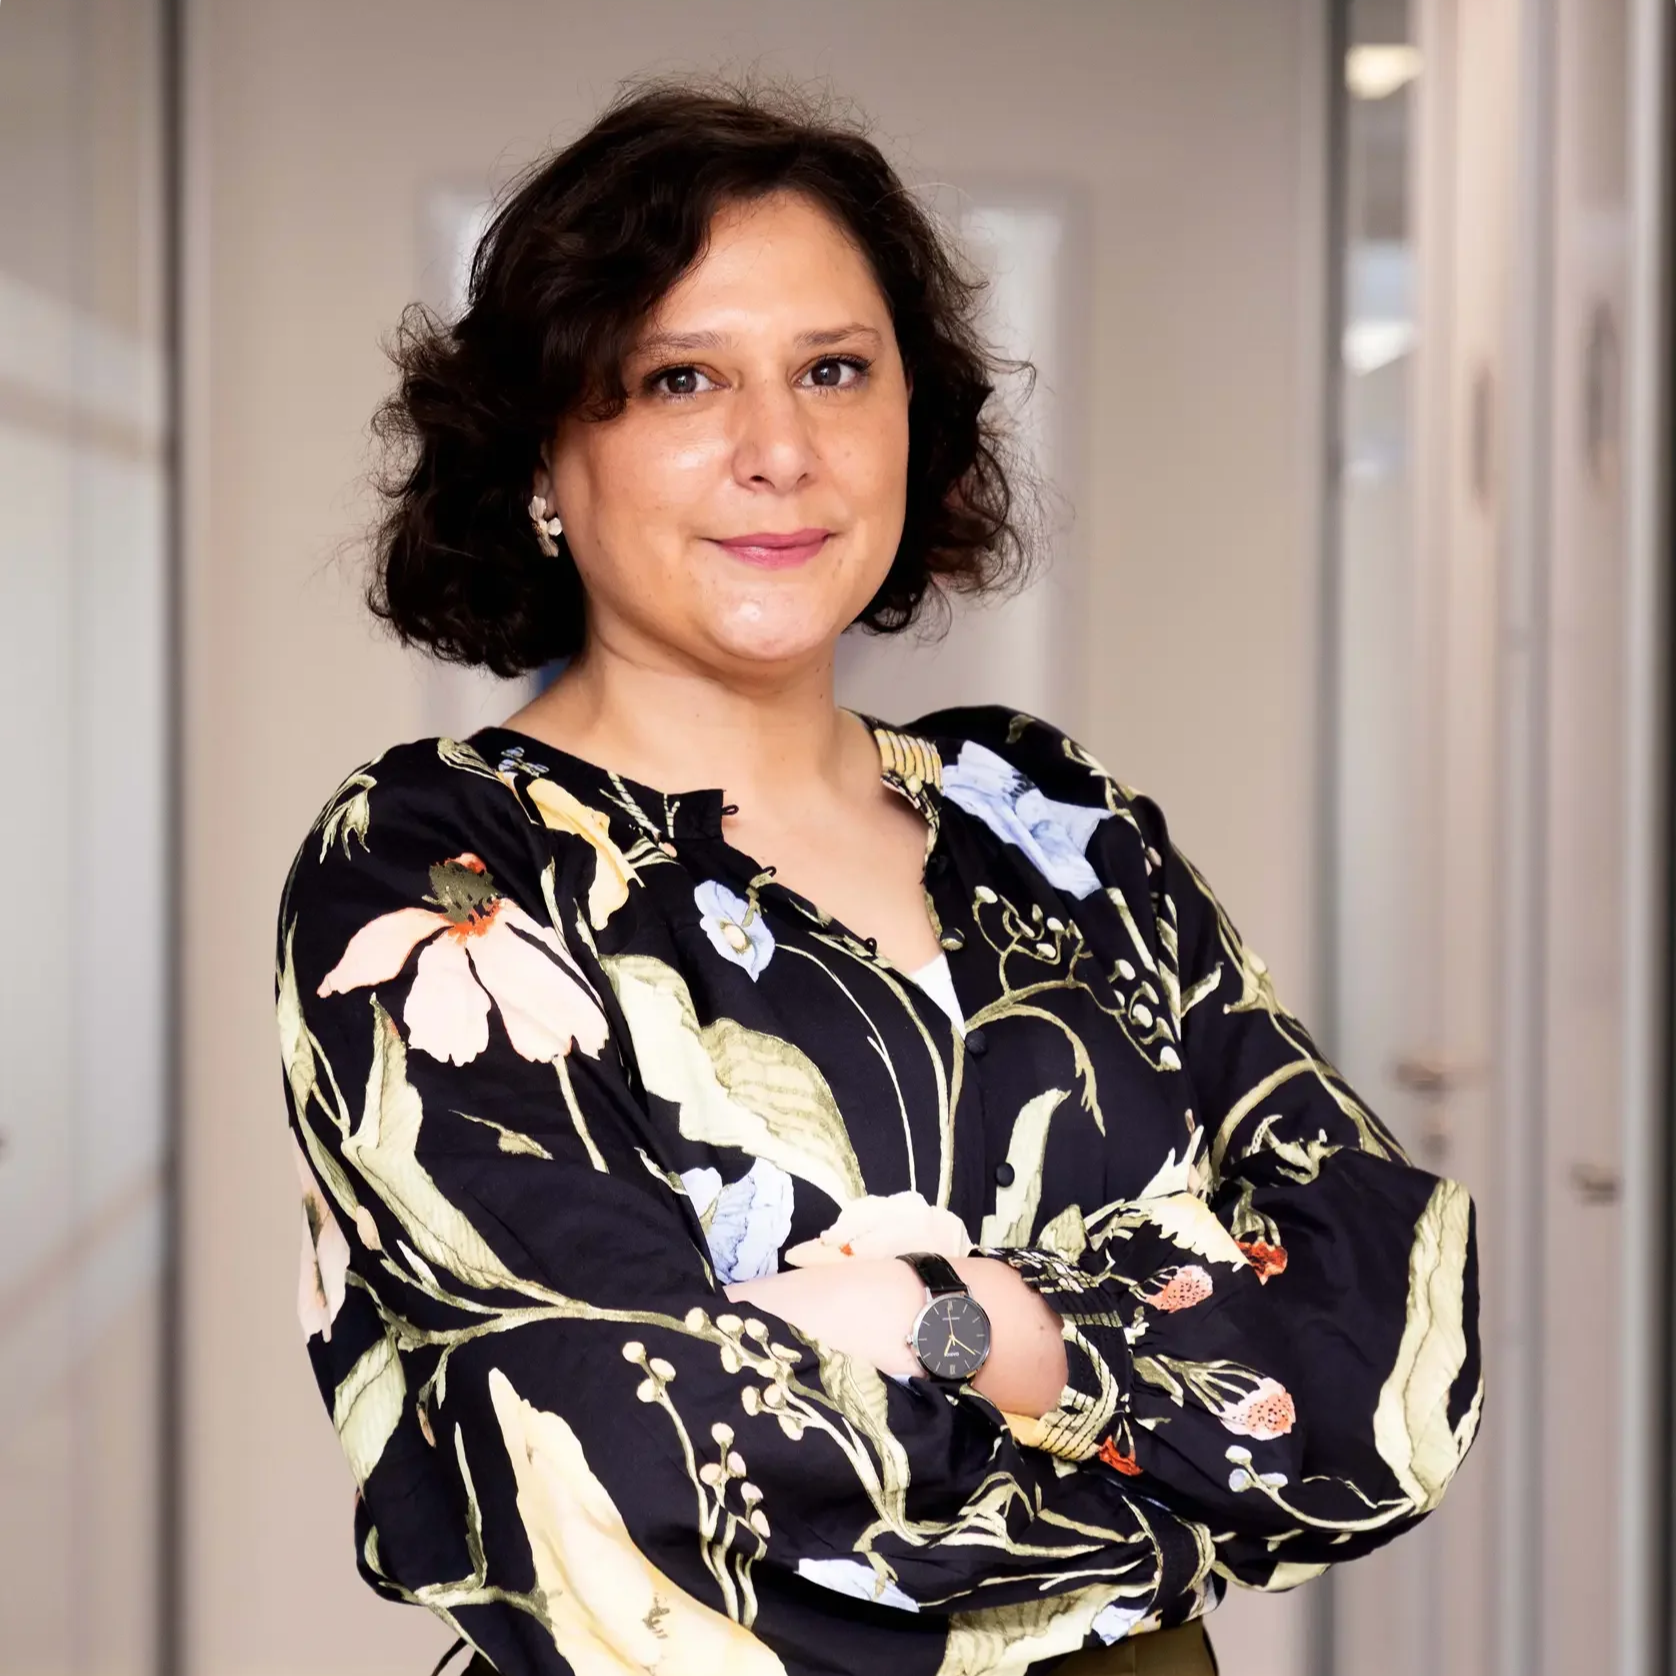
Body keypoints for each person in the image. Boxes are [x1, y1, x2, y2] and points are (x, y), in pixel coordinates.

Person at [276, 81, 1481, 1676]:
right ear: (541, 461)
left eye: (835, 370)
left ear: (919, 420)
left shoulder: (1053, 820)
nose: (780, 449)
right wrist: (1152, 1373)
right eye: (679, 378)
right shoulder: (445, 870)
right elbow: (634, 1474)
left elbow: (1384, 1348)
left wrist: (955, 1323)